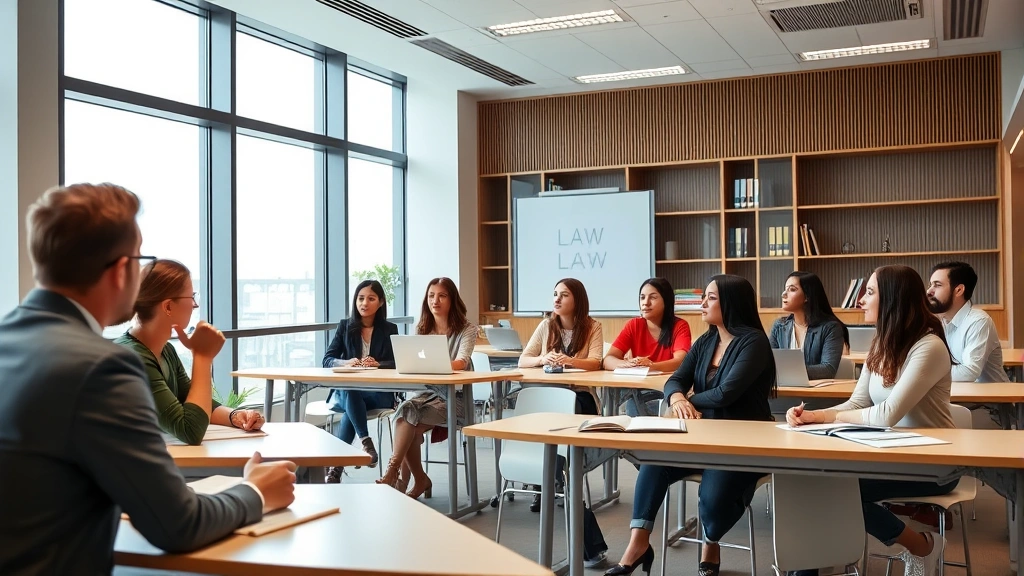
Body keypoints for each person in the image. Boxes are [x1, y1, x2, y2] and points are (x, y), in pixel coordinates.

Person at [0, 183, 296, 575]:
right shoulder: (103, 368)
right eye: (140, 259)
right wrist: (257, 491)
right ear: (123, 269)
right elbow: (178, 524)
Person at [786, 265, 955, 576]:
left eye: (871, 292)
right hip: (886, 451)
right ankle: (809, 566)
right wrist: (812, 416)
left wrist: (827, 416)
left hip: (934, 461)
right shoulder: (881, 343)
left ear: (893, 299)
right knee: (816, 484)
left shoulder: (929, 346)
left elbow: (887, 413)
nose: (861, 299)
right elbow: (859, 402)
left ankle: (923, 546)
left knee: (837, 491)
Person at [605, 275, 776, 576]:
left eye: (711, 297)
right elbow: (675, 380)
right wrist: (675, 399)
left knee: (712, 503)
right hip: (700, 437)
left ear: (731, 302)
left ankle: (710, 539)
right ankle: (638, 545)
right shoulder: (706, 341)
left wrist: (691, 401)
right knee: (653, 460)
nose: (702, 303)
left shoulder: (754, 342)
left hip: (741, 443)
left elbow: (727, 394)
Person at [115, 259, 264, 446]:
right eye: (191, 297)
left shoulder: (165, 350)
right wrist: (202, 356)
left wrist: (234, 416)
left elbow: (192, 402)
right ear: (168, 306)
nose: (195, 305)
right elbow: (190, 430)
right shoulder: (133, 358)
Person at [377, 277, 477, 499]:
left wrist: (436, 365)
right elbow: (414, 363)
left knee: (406, 418)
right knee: (405, 414)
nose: (435, 300)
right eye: (431, 296)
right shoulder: (422, 328)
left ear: (452, 299)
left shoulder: (467, 329)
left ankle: (401, 478)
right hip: (423, 396)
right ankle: (410, 477)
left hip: (454, 399)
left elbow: (462, 361)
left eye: (442, 295)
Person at [321, 280, 399, 481]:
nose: (364, 303)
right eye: (360, 298)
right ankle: (366, 443)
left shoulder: (389, 329)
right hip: (350, 393)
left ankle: (336, 469)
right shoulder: (345, 327)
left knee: (351, 402)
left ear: (380, 302)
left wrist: (378, 364)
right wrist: (346, 363)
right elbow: (327, 359)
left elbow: (398, 362)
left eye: (371, 299)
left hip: (379, 394)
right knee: (351, 391)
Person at [604, 277, 692, 417]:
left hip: (668, 390)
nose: (645, 303)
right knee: (634, 404)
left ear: (666, 300)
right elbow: (608, 360)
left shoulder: (680, 326)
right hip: (641, 391)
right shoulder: (634, 325)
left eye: (653, 297)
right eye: (642, 297)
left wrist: (649, 367)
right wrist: (628, 364)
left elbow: (680, 361)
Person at [927, 261, 1008, 384]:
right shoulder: (937, 321)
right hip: (956, 398)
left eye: (937, 285)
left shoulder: (979, 321)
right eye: (930, 285)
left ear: (959, 290)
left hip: (989, 401)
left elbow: (968, 372)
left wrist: (921, 372)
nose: (929, 291)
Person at [769, 271, 849, 379]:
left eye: (792, 289)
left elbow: (828, 370)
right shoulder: (779, 326)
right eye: (785, 289)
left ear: (807, 296)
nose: (783, 294)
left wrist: (788, 371)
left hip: (815, 393)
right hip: (783, 390)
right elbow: (768, 363)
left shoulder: (830, 328)